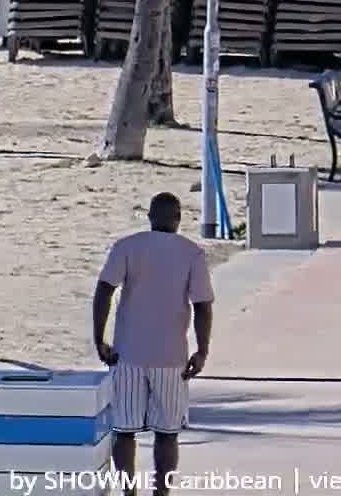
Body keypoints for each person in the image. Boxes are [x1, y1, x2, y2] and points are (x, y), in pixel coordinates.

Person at [94, 193, 216, 496]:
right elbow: (202, 306)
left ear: (150, 216)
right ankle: (161, 492)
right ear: (178, 218)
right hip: (171, 357)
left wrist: (99, 339)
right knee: (167, 433)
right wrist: (202, 351)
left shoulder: (127, 247)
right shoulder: (192, 253)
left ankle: (129, 493)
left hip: (128, 355)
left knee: (124, 431)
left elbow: (104, 291)